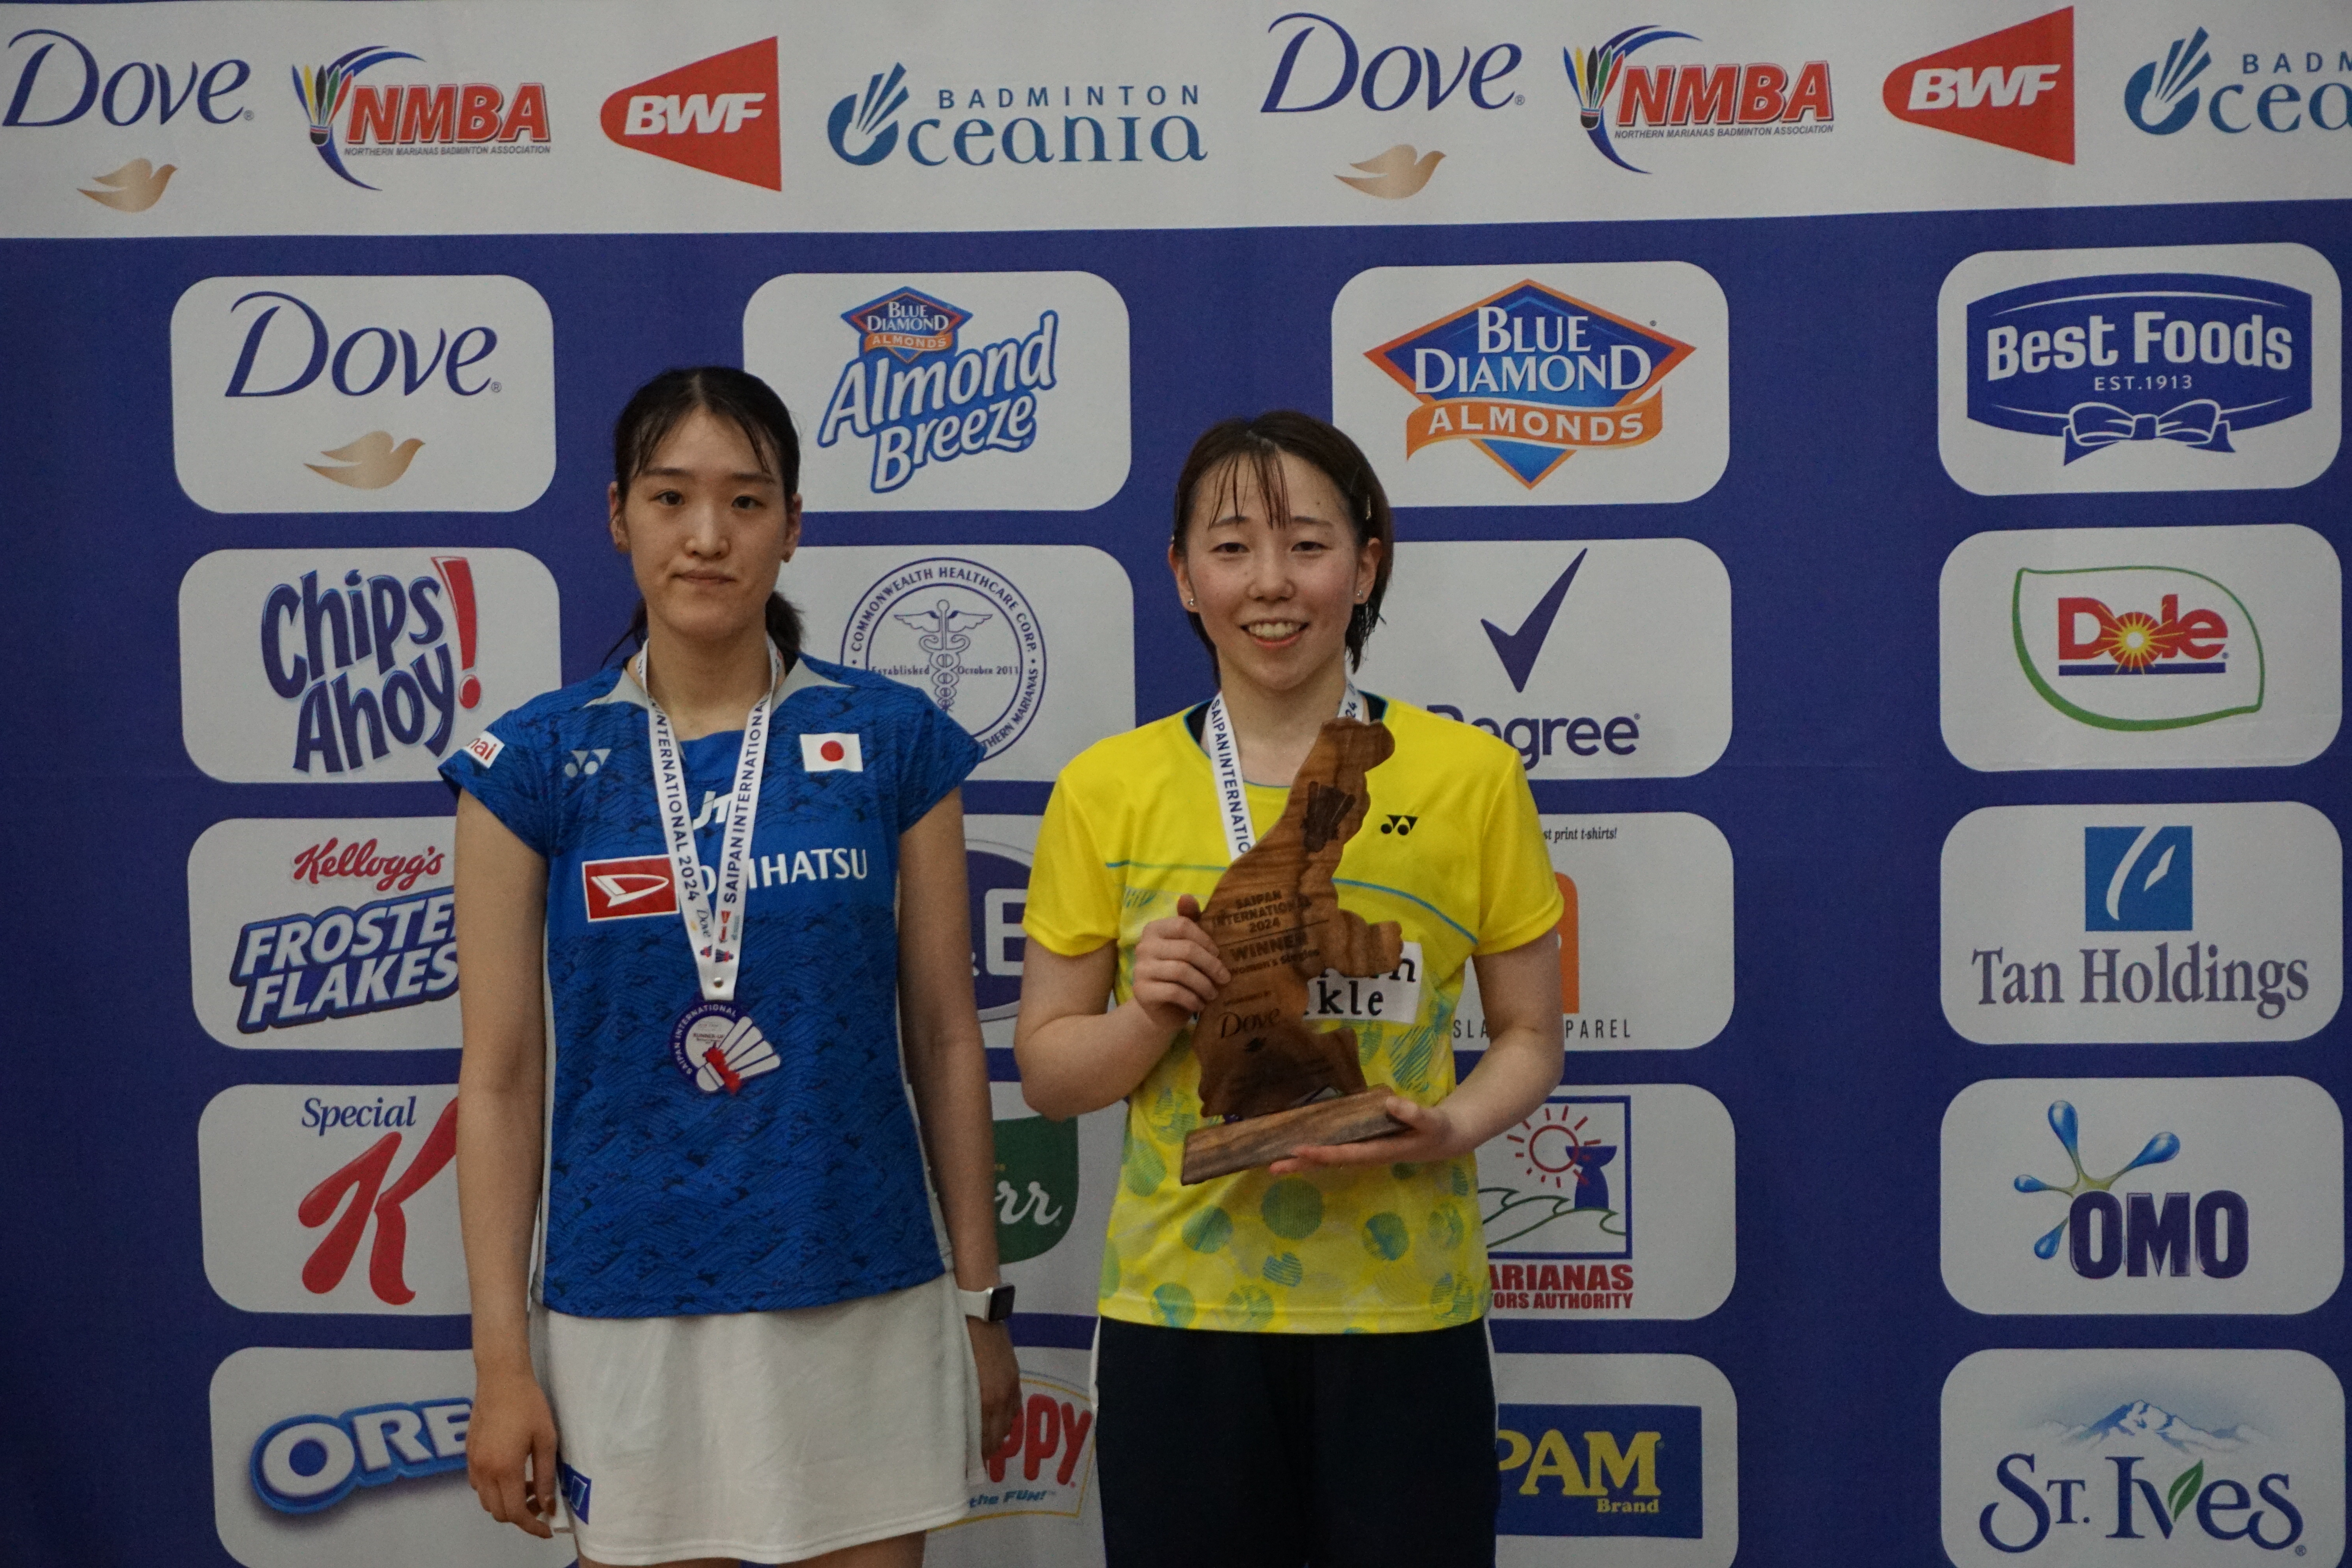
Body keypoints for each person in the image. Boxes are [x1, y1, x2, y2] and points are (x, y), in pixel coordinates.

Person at [445, 366, 1019, 1568]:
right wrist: (504, 1364)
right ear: (618, 515)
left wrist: (979, 1306)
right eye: (671, 498)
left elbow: (948, 1039)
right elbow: (497, 1079)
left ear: (793, 525)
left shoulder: (891, 738)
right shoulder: (533, 759)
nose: (708, 538)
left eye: (747, 503)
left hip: (857, 1286)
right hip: (625, 1303)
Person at [1013, 411, 1568, 1566]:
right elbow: (1053, 1075)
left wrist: (1447, 1126)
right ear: (1181, 575)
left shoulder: (1470, 776)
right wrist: (1150, 1011)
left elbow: (1527, 1034)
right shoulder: (1106, 788)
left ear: (1366, 564)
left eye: (1308, 545)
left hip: (1404, 1311)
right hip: (1183, 1314)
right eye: (1231, 547)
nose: (1272, 584)